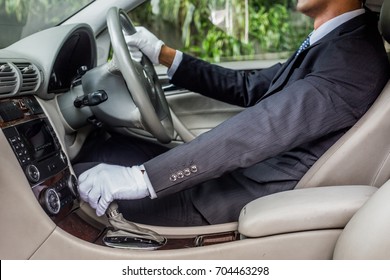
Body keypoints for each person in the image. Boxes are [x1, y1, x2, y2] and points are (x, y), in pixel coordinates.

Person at [77, 0, 390, 226]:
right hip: (239, 176)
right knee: (108, 149)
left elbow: (267, 125)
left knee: (73, 183)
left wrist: (143, 178)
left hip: (234, 197)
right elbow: (249, 87)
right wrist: (161, 52)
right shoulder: (333, 43)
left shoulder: (353, 58)